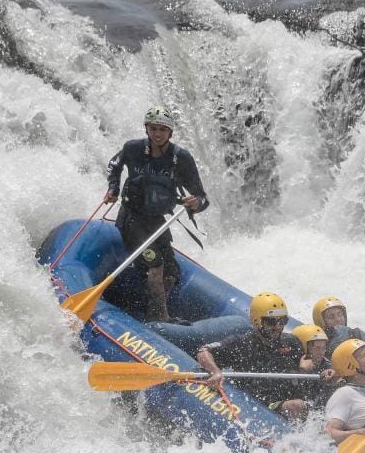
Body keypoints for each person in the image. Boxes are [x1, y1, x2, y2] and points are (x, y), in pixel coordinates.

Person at [103, 106, 209, 322]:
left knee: (171, 273)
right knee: (155, 265)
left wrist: (195, 203)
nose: (157, 134)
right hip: (131, 218)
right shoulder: (132, 148)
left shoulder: (181, 158)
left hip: (157, 222)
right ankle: (160, 318)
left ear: (170, 132)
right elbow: (114, 165)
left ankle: (152, 312)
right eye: (153, 128)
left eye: (162, 129)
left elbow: (202, 196)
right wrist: (113, 188)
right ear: (147, 129)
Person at [197, 293, 316, 420]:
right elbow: (203, 351)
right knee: (297, 405)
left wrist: (319, 371)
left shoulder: (292, 342)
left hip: (288, 398)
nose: (278, 327)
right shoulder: (242, 344)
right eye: (271, 322)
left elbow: (310, 363)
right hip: (259, 405)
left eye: (282, 321)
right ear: (257, 321)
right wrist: (215, 371)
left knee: (304, 403)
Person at [292, 323, 340, 405]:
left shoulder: (326, 365)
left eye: (323, 347)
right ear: (302, 347)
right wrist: (301, 371)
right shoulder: (290, 362)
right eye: (316, 347)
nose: (321, 352)